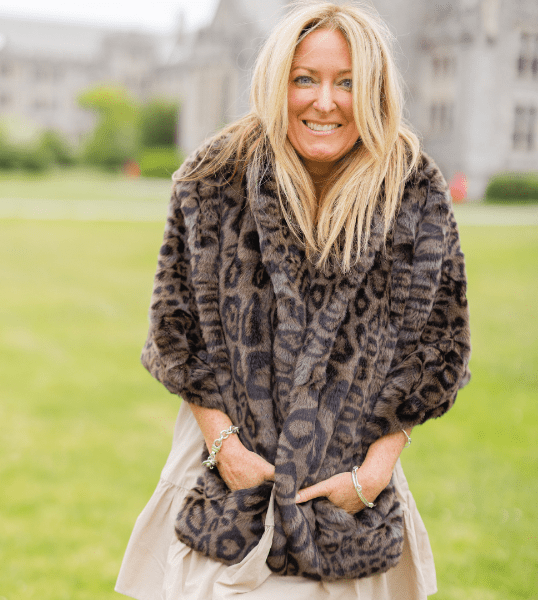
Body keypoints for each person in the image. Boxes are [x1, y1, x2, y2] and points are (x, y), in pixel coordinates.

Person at [116, 2, 471, 599]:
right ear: (276, 81)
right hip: (223, 482)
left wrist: (373, 473)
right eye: (305, 78)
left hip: (354, 498)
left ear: (375, 90)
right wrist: (226, 448)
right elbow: (176, 332)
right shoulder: (212, 179)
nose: (324, 102)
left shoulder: (412, 190)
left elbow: (439, 348)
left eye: (347, 83)